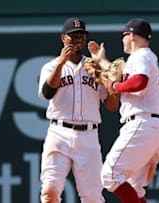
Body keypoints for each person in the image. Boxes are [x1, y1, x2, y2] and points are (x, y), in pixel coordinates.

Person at [37, 17, 119, 203]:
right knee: (49, 192)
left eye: (81, 36)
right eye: (72, 37)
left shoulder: (94, 67)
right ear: (63, 38)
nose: (77, 40)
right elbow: (47, 92)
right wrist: (61, 63)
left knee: (92, 197)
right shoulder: (51, 66)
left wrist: (112, 80)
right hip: (59, 133)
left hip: (88, 136)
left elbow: (112, 106)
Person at [87, 18, 159, 203]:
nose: (122, 40)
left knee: (110, 174)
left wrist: (114, 85)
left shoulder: (141, 55)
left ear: (130, 35)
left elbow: (140, 82)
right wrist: (101, 60)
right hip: (151, 126)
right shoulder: (144, 57)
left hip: (141, 124)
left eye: (123, 36)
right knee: (135, 189)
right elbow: (123, 74)